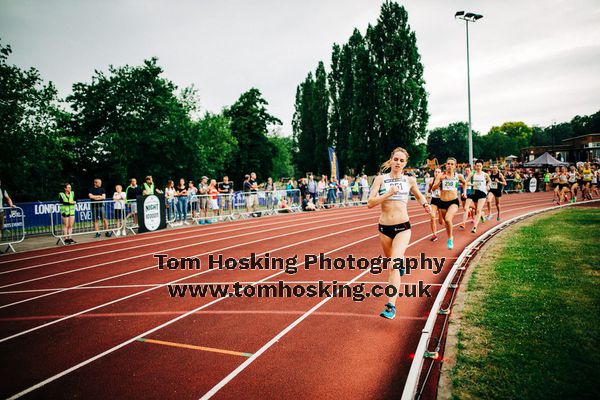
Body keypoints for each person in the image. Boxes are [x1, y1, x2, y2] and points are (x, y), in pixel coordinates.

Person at [368, 147, 431, 320]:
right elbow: (370, 203)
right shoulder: (381, 179)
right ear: (391, 160)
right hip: (384, 228)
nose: (398, 163)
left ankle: (391, 306)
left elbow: (418, 196)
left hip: (403, 227)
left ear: (405, 163)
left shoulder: (409, 180)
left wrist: (426, 205)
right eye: (396, 159)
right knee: (393, 261)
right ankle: (401, 260)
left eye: (402, 161)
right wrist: (387, 194)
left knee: (392, 266)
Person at [431, 157, 467, 249]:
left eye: (452, 164)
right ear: (446, 165)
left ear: (455, 166)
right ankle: (449, 236)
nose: (450, 165)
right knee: (445, 223)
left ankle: (450, 239)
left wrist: (464, 192)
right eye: (448, 164)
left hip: (453, 201)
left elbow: (464, 183)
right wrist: (441, 181)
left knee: (447, 219)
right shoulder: (440, 176)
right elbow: (433, 188)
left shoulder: (458, 176)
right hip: (442, 202)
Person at [463, 160, 491, 234]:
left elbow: (489, 181)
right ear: (475, 166)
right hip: (474, 193)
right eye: (477, 165)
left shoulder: (485, 174)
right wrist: (465, 192)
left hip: (482, 193)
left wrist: (488, 185)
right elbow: (466, 182)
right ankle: (482, 214)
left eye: (480, 166)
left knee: (478, 210)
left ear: (482, 166)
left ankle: (475, 227)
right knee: (476, 209)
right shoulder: (472, 173)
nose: (478, 167)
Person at [426, 168, 444, 241]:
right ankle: (434, 235)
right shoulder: (431, 182)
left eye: (438, 172)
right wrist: (427, 195)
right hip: (434, 201)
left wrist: (441, 194)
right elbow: (428, 191)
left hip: (442, 201)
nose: (437, 173)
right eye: (436, 172)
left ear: (441, 173)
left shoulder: (443, 182)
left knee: (441, 222)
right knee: (432, 217)